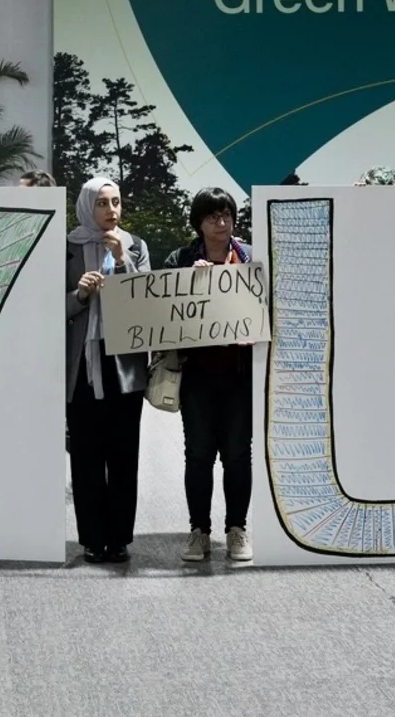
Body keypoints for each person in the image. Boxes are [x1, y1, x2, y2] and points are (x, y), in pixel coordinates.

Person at [163, 187, 256, 563]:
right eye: (213, 216)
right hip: (198, 376)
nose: (221, 222)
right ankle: (198, 531)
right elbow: (163, 310)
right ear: (198, 223)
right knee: (198, 455)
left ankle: (237, 529)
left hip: (239, 375)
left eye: (227, 215)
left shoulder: (249, 257)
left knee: (237, 454)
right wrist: (189, 280)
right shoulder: (181, 258)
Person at [65, 177, 149, 565]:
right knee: (85, 455)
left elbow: (147, 301)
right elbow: (48, 307)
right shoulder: (66, 247)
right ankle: (92, 539)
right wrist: (79, 295)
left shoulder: (136, 246)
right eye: (102, 203)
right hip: (81, 365)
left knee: (122, 455)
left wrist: (126, 261)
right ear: (87, 207)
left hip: (122, 365)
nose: (111, 210)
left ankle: (119, 539)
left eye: (116, 202)